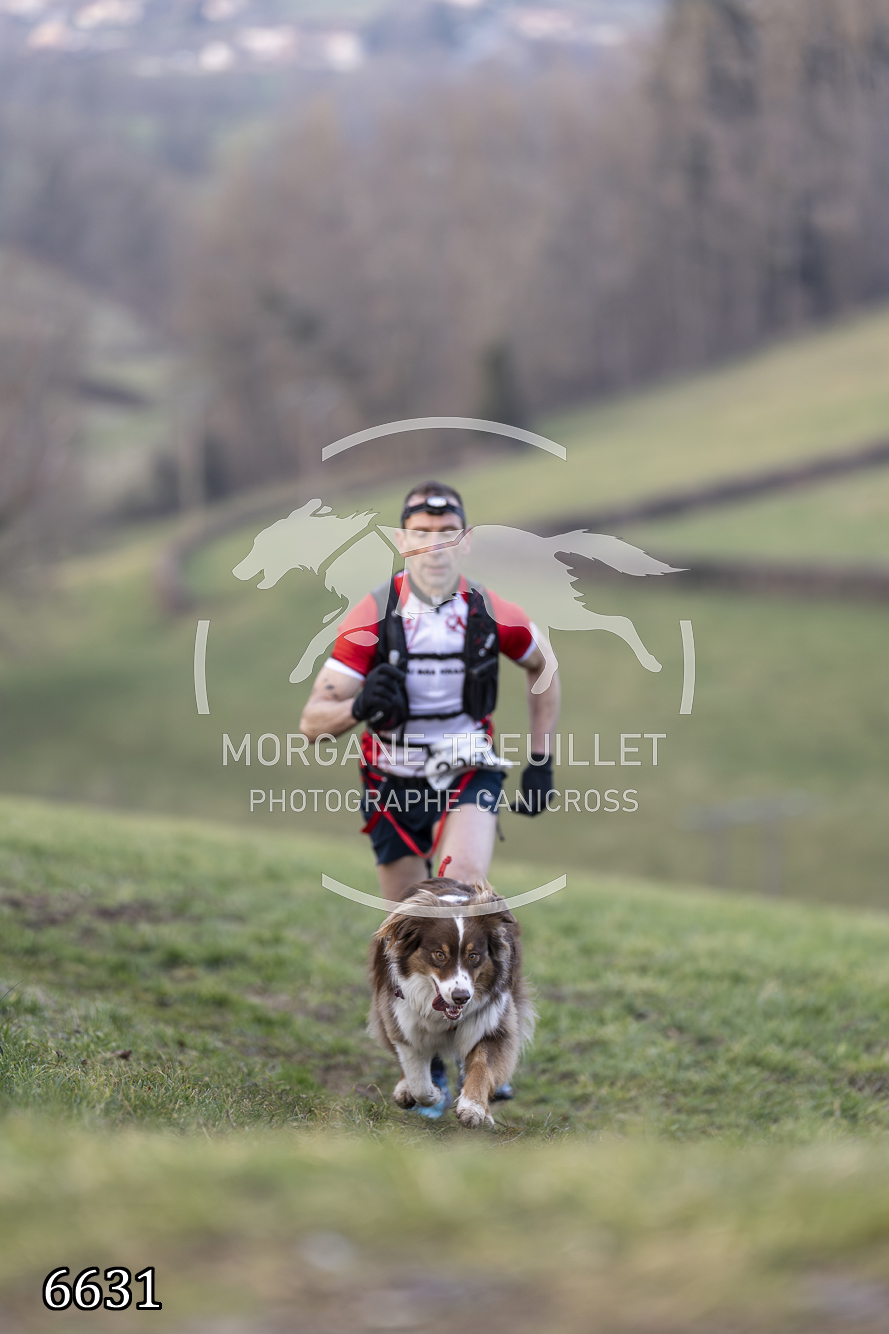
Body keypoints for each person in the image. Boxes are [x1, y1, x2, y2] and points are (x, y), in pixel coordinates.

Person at [300, 480, 561, 902]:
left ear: (466, 541)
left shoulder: (492, 612)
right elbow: (311, 724)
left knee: (459, 892)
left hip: (468, 767)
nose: (435, 547)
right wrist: (359, 706)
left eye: (447, 533)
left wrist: (541, 760)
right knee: (410, 918)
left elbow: (543, 664)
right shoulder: (371, 615)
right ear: (401, 541)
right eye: (421, 533)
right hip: (391, 781)